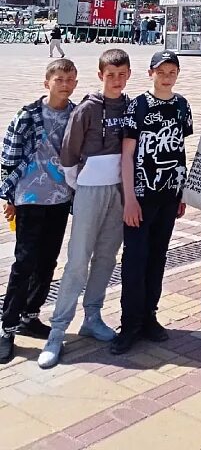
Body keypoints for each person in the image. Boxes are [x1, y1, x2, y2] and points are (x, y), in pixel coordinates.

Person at [38, 49, 132, 368]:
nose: (116, 81)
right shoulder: (88, 109)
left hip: (119, 189)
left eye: (121, 74)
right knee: (78, 260)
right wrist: (81, 185)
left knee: (106, 257)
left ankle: (92, 316)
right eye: (110, 75)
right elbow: (68, 151)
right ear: (100, 76)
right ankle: (57, 330)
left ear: (128, 75)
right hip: (90, 189)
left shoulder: (131, 106)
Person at [111, 51, 193, 354]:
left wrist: (182, 191)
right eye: (162, 71)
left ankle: (149, 316)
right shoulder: (139, 106)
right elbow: (128, 155)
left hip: (169, 196)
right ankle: (129, 323)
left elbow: (180, 150)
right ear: (151, 73)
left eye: (172, 71)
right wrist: (130, 198)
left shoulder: (182, 105)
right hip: (141, 197)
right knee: (134, 259)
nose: (167, 76)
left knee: (158, 256)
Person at [0, 59, 79, 365]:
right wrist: (9, 195)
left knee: (48, 261)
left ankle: (30, 316)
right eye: (59, 79)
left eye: (70, 79)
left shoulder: (75, 114)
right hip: (30, 198)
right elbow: (9, 156)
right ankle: (7, 328)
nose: (65, 84)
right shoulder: (29, 114)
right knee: (24, 262)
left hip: (59, 199)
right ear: (47, 82)